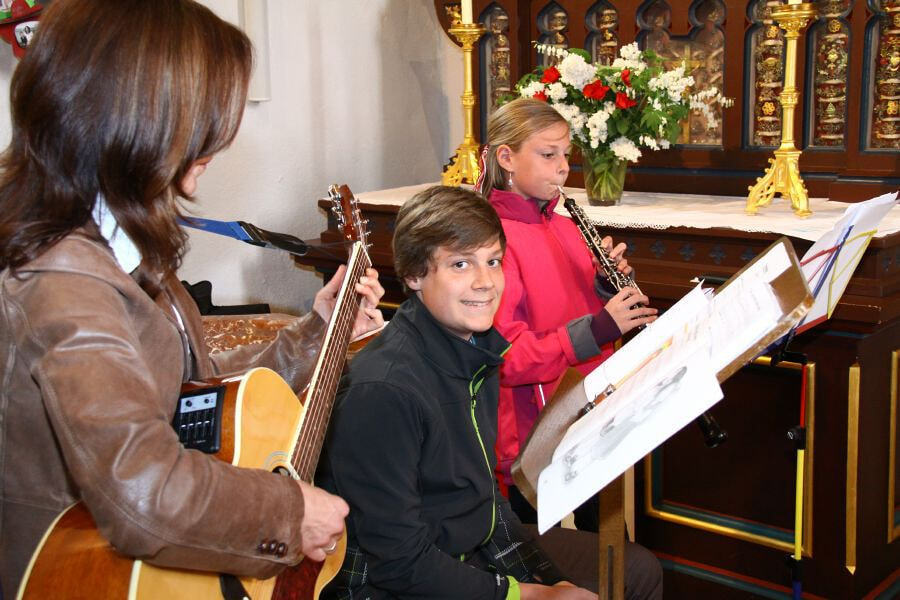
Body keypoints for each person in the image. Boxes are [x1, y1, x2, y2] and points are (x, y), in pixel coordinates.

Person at [0, 1, 384, 598]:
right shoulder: (62, 276)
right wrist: (289, 512)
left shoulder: (118, 240)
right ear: (136, 119)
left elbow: (190, 393)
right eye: (202, 119)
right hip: (84, 577)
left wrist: (317, 331)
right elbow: (143, 489)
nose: (215, 144)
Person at [317, 186, 662, 600]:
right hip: (395, 584)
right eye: (460, 264)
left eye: (493, 261)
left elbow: (485, 504)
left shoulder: (475, 352)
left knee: (636, 570)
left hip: (467, 550)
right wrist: (523, 594)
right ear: (413, 275)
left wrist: (551, 582)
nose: (485, 283)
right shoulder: (383, 392)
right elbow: (399, 563)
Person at [477, 97, 658, 530]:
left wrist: (606, 287)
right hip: (533, 435)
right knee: (548, 556)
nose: (562, 169)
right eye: (548, 155)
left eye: (566, 155)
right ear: (506, 158)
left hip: (590, 413)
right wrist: (597, 329)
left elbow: (575, 309)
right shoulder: (491, 241)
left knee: (606, 542)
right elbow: (506, 357)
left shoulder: (564, 224)